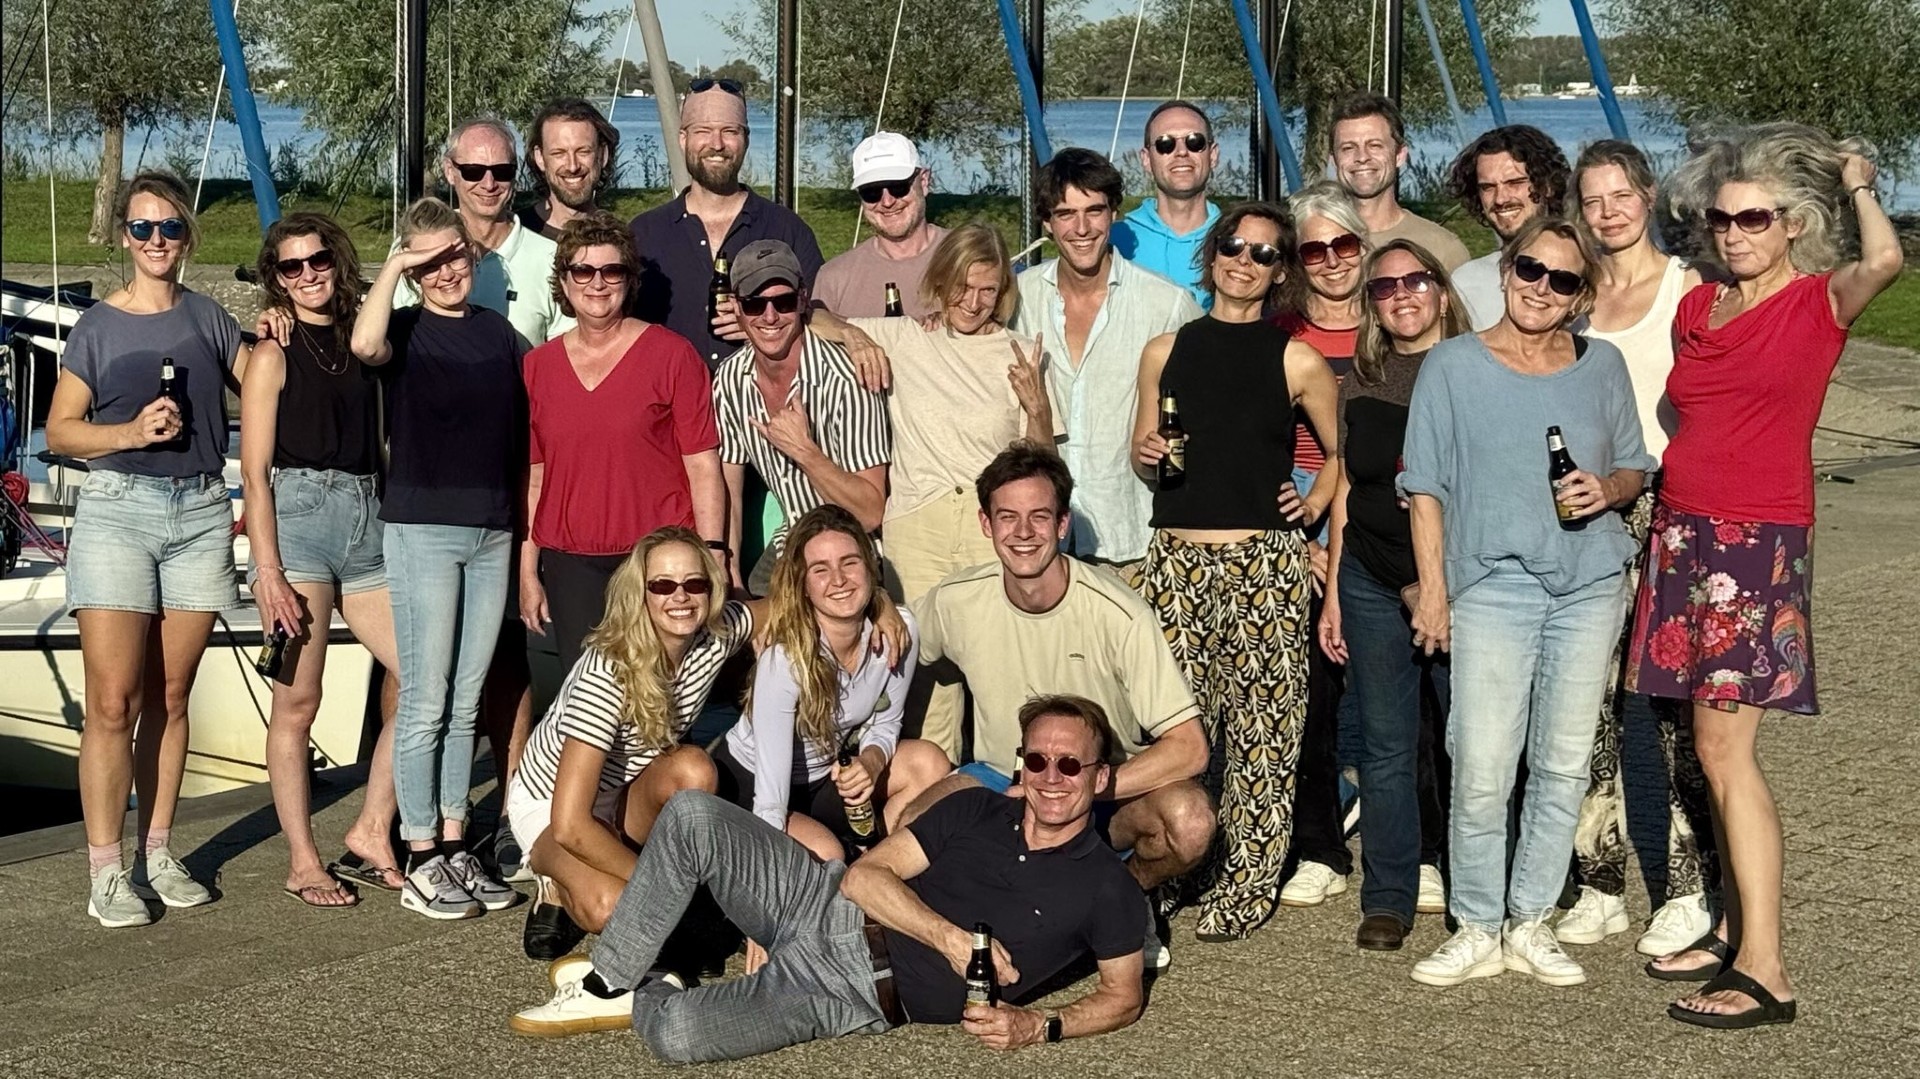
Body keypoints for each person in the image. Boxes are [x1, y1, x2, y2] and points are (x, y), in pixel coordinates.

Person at [1629, 125, 1902, 1028]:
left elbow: (1888, 260)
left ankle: (1766, 968)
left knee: (1723, 751)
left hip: (1756, 545)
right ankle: (1730, 927)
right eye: (1723, 219)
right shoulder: (1698, 309)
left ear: (1792, 224)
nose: (1737, 231)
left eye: (1755, 218)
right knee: (1701, 748)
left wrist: (1861, 184)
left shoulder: (1819, 302)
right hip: (1685, 535)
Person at [509, 696, 1149, 1062]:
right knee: (693, 814)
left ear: (1100, 777)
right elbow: (864, 877)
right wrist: (951, 939)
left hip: (853, 992)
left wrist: (1040, 1027)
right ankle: (613, 978)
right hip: (819, 903)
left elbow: (1124, 996)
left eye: (1071, 764)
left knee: (675, 1035)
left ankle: (648, 981)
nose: (1052, 778)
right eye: (1038, 760)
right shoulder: (976, 808)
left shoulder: (1105, 887)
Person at [1400, 217, 1655, 989]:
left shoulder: (1601, 365)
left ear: (1582, 296)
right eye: (1532, 270)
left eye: (1564, 280)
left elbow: (1634, 467)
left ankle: (1532, 919)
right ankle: (1478, 921)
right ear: (1507, 272)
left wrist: (1606, 488)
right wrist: (1434, 594)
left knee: (1563, 761)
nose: (1543, 288)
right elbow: (1425, 491)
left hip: (1588, 583)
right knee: (1479, 761)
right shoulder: (1451, 365)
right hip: (1493, 587)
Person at [510, 527, 913, 960]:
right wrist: (667, 891)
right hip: (552, 805)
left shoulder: (715, 634)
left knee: (697, 768)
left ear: (710, 589)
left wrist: (882, 605)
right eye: (662, 585)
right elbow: (571, 824)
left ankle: (652, 875)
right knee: (610, 906)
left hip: (623, 790)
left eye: (694, 583)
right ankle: (555, 883)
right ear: (639, 594)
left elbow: (804, 604)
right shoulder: (607, 674)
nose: (680, 597)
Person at [911, 444, 1214, 967]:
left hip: (1104, 786)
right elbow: (901, 656)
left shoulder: (1119, 613)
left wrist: (1081, 786)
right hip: (1001, 780)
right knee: (911, 818)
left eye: (1039, 517)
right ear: (986, 524)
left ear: (1062, 524)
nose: (1023, 532)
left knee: (1189, 822)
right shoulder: (953, 602)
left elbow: (1189, 749)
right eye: (1007, 517)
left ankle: (1119, 899)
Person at [1130, 203, 1340, 942]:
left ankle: (1247, 882)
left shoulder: (1295, 359)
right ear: (1212, 254)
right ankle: (1175, 867)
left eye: (1262, 253)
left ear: (1280, 270)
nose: (1243, 262)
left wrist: (1311, 498)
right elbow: (1139, 453)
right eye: (1232, 247)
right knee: (1175, 726)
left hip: (1263, 560)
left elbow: (1340, 454)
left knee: (1262, 731)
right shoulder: (1165, 350)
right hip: (1176, 560)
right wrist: (1148, 455)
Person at [47, 171, 243, 927]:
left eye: (168, 228)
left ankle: (157, 850)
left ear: (185, 235)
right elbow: (62, 429)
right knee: (110, 701)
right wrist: (128, 432)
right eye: (142, 228)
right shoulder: (98, 325)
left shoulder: (210, 317)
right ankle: (104, 869)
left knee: (170, 695)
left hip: (198, 508)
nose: (156, 240)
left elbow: (261, 383)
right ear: (123, 237)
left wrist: (281, 333)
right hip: (117, 510)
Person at [814, 222, 1058, 760]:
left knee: (999, 662)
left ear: (1004, 291)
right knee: (922, 670)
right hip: (917, 524)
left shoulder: (1020, 352)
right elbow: (811, 315)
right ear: (942, 281)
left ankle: (1009, 785)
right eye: (963, 287)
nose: (973, 302)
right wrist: (857, 336)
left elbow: (1043, 468)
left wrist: (1036, 405)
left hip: (984, 524)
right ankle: (928, 800)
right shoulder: (906, 336)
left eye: (988, 290)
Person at [1558, 140, 1718, 958]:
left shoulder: (1691, 288)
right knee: (1588, 703)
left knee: (1668, 710)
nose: (1608, 211)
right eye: (1593, 199)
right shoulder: (1574, 295)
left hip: (1671, 509)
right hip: (1586, 511)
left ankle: (1692, 886)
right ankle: (1600, 879)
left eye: (1620, 195)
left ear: (1648, 196)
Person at [350, 196, 528, 920]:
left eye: (455, 256)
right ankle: (420, 847)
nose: (446, 271)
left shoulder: (501, 336)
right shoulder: (402, 328)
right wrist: (397, 266)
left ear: (474, 256)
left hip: (492, 529)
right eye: (430, 261)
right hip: (423, 527)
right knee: (426, 695)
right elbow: (363, 348)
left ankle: (455, 840)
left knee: (467, 695)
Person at [241, 212, 404, 907]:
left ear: (336, 263)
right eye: (289, 267)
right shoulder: (271, 351)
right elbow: (252, 474)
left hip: (369, 515)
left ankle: (372, 827)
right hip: (299, 515)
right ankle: (303, 860)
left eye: (317, 262)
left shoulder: (363, 339)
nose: (307, 274)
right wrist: (267, 569)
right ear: (275, 276)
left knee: (424, 676)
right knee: (297, 700)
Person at [1317, 239, 1470, 950]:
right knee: (1383, 742)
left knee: (1468, 738)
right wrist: (1336, 594)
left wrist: (1433, 583)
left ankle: (1475, 888)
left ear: (1441, 288)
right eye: (1384, 287)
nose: (1402, 295)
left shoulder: (1477, 366)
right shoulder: (1362, 376)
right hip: (1371, 575)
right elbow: (1349, 485)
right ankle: (1388, 894)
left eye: (1416, 281)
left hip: (1459, 579)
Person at [520, 212, 726, 673]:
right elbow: (536, 477)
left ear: (629, 280)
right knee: (587, 701)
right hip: (571, 564)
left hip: (655, 559)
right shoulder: (537, 367)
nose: (597, 283)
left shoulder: (672, 355)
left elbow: (703, 466)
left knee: (659, 696)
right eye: (583, 271)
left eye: (611, 271)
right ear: (565, 282)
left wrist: (712, 556)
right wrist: (527, 570)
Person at [718, 505, 950, 869]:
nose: (839, 579)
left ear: (871, 566)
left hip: (826, 775)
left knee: (930, 763)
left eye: (850, 562)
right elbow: (770, 800)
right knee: (827, 854)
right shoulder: (786, 661)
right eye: (820, 570)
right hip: (754, 780)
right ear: (804, 584)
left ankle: (877, 869)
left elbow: (888, 722)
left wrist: (872, 762)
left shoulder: (898, 630)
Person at [1012, 149, 1203, 573]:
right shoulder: (1017, 300)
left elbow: (1208, 407)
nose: (1081, 228)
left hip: (1133, 537)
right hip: (1041, 542)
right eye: (1065, 214)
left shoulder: (1167, 304)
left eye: (1094, 211)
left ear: (1114, 213)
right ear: (1047, 223)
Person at [1273, 183, 1369, 910]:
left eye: (1345, 245)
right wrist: (1299, 531)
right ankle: (1319, 842)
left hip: (1383, 504)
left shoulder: (1395, 317)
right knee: (1309, 688)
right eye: (1315, 249)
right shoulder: (1281, 332)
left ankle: (1422, 841)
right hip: (1303, 505)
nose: (1333, 262)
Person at [711, 239, 890, 596]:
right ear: (735, 306)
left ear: (804, 299)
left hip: (852, 549)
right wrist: (730, 575)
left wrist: (805, 451)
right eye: (754, 304)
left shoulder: (846, 378)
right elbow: (728, 486)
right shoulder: (730, 380)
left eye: (784, 301)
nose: (770, 316)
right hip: (790, 544)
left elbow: (870, 513)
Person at [629, 78, 825, 369]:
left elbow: (818, 321)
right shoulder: (643, 234)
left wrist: (764, 326)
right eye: (703, 131)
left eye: (729, 131)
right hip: (670, 410)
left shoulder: (788, 231)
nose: (717, 144)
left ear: (745, 138)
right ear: (683, 138)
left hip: (760, 409)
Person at [1444, 126, 1570, 331]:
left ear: (1547, 185)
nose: (1501, 198)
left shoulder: (1585, 274)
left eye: (1515, 182)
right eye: (1488, 187)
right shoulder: (1466, 282)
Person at [813, 132, 948, 320]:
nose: (887, 201)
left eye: (898, 186)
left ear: (924, 181)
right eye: (871, 192)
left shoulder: (970, 258)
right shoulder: (834, 278)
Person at [1328, 93, 1470, 271]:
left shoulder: (1442, 249)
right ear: (1334, 161)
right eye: (1348, 148)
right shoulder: (1314, 247)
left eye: (1375, 146)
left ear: (1399, 156)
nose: (1362, 157)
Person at [1111, 99, 1221, 306]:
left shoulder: (1235, 240)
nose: (1181, 152)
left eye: (1194, 142)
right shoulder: (1113, 241)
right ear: (1146, 159)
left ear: (1213, 155)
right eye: (1165, 144)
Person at [520, 97, 621, 242]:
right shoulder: (515, 236)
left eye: (583, 151)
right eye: (558, 153)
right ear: (539, 157)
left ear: (603, 155)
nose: (572, 166)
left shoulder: (620, 241)